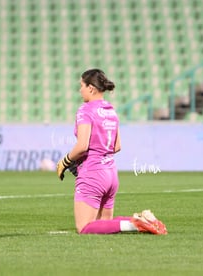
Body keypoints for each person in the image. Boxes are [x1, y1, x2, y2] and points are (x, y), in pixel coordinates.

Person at [56, 68, 167, 235]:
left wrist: (64, 162)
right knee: (104, 224)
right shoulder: (110, 110)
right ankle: (144, 221)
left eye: (82, 86)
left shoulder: (85, 110)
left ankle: (135, 224)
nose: (80, 90)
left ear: (91, 88)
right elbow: (117, 146)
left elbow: (82, 146)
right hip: (111, 174)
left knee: (84, 227)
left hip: (92, 173)